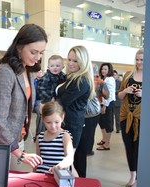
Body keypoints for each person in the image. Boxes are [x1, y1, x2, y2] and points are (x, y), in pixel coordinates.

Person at [0, 23, 46, 169]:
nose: (38, 57)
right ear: (19, 47)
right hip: (0, 144)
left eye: (41, 52)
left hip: (16, 139)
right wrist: (18, 151)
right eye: (34, 52)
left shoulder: (27, 70)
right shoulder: (5, 72)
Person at [55, 45, 95, 176]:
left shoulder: (82, 80)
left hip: (71, 124)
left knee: (69, 162)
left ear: (82, 62)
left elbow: (64, 100)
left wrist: (54, 99)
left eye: (75, 61)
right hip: (67, 121)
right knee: (68, 161)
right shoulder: (73, 77)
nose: (71, 63)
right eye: (69, 59)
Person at [118, 49, 143, 187]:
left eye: (142, 60)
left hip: (141, 119)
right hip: (125, 116)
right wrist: (126, 91)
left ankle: (139, 180)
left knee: (139, 149)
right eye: (137, 59)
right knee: (129, 147)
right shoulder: (128, 75)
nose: (139, 62)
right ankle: (132, 175)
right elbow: (120, 96)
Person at [34, 101, 74, 174]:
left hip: (59, 175)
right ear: (43, 119)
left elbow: (69, 157)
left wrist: (60, 166)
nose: (53, 126)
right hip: (41, 175)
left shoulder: (65, 136)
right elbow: (37, 160)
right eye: (48, 122)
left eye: (56, 122)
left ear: (62, 117)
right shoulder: (39, 137)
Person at [96, 63, 116, 151]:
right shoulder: (104, 78)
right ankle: (104, 139)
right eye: (102, 69)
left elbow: (110, 94)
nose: (103, 71)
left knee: (108, 124)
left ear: (109, 70)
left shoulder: (110, 79)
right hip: (102, 103)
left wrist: (104, 105)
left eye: (105, 69)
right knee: (102, 123)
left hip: (108, 104)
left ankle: (107, 144)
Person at [33, 69, 45, 140]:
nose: (40, 73)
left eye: (41, 72)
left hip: (45, 101)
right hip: (37, 101)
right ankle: (38, 134)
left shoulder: (46, 81)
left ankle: (43, 133)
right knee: (41, 113)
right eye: (38, 72)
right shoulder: (33, 81)